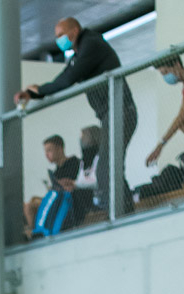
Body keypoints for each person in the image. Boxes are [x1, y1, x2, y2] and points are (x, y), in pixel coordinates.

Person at [15, 17, 137, 217]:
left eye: (61, 35)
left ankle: (121, 213)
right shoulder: (78, 54)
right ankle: (122, 211)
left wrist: (41, 90)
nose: (58, 40)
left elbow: (69, 78)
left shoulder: (91, 44)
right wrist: (35, 93)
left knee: (107, 167)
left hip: (120, 111)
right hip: (110, 114)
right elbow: (64, 77)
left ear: (74, 31)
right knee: (108, 165)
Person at [24, 134, 80, 236]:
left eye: (49, 150)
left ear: (60, 149)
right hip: (54, 200)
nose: (46, 155)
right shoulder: (56, 172)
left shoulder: (74, 163)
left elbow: (73, 185)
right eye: (45, 151)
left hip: (67, 202)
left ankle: (35, 234)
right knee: (26, 205)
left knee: (29, 207)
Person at [55, 124, 101, 228]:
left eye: (83, 137)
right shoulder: (84, 161)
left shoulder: (100, 156)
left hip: (97, 198)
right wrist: (71, 184)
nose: (81, 140)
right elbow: (82, 181)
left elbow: (98, 180)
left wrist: (74, 184)